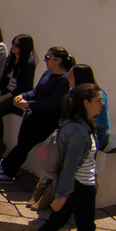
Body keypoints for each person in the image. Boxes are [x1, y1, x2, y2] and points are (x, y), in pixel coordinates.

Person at [14, 84, 116, 231]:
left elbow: (84, 159)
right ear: (86, 103)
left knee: (55, 222)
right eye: (98, 100)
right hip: (79, 187)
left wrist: (95, 174)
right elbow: (70, 166)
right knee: (86, 229)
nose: (102, 103)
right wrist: (61, 195)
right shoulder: (79, 130)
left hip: (80, 183)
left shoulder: (81, 124)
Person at [25, 63, 108, 211]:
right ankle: (38, 193)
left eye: (71, 76)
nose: (67, 78)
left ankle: (48, 197)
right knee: (53, 155)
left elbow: (99, 123)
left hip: (93, 133)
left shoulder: (97, 96)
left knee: (66, 162)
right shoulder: (72, 92)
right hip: (74, 130)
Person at [0, 46, 74, 186]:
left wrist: (28, 104)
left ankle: (6, 169)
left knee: (25, 144)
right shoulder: (47, 73)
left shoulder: (64, 80)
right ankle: (6, 169)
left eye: (48, 57)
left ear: (58, 60)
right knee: (22, 143)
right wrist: (22, 96)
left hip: (48, 119)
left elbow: (51, 102)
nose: (45, 60)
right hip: (33, 114)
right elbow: (36, 91)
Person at [0, 34, 36, 154]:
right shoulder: (11, 58)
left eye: (17, 45)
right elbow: (4, 77)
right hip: (5, 91)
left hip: (17, 94)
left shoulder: (29, 63)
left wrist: (6, 97)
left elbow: (25, 86)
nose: (13, 47)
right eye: (13, 43)